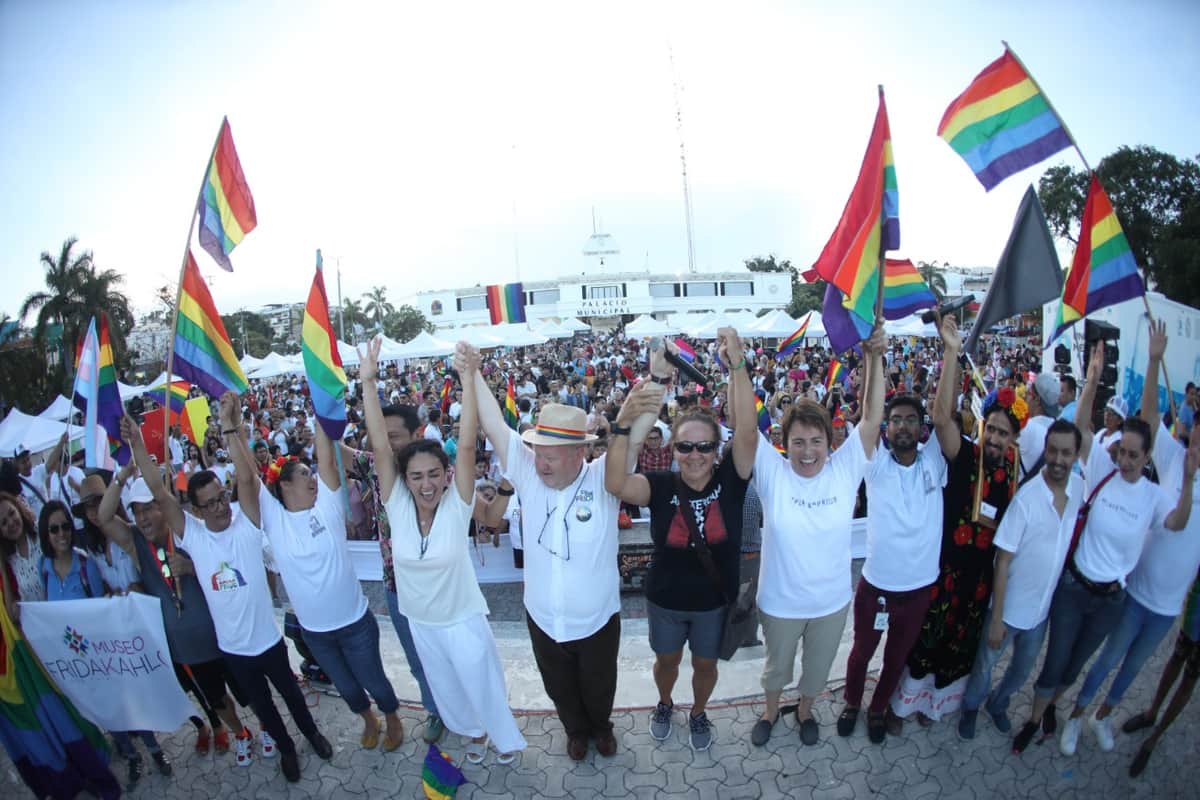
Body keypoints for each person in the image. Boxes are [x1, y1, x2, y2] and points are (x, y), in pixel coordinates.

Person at [118, 410, 331, 783]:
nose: (220, 507)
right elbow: (159, 493)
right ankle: (285, 749)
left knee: (293, 696)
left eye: (221, 498)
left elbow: (246, 478)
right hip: (234, 651)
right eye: (210, 503)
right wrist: (137, 443)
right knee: (264, 707)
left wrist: (231, 426)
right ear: (195, 510)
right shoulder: (193, 535)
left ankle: (312, 734)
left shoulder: (246, 522)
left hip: (268, 642)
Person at [1015, 344, 1197, 756]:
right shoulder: (1102, 469)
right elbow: (1079, 427)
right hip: (1074, 588)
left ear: (1147, 457)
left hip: (1111, 601)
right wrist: (1092, 382)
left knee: (1076, 665)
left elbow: (1177, 523)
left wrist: (1187, 481)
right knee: (1056, 659)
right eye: (1122, 452)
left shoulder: (1154, 496)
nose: (1125, 460)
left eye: (1134, 455)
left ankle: (1056, 711)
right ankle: (1033, 719)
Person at [362, 337, 526, 764]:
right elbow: (380, 445)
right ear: (404, 480)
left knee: (482, 685)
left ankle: (504, 738)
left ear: (446, 474)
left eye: (434, 474)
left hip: (462, 619)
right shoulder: (396, 505)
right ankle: (475, 734)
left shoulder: (457, 504)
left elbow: (467, 444)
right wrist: (368, 383)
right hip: (421, 622)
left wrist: (467, 378)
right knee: (449, 691)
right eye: (417, 476)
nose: (427, 484)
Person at [461, 343, 623, 762]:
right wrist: (473, 373)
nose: (540, 465)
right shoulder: (529, 473)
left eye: (551, 457)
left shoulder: (604, 478)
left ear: (579, 453)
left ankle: (601, 728)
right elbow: (494, 424)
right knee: (558, 686)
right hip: (542, 618)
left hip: (598, 620)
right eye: (538, 455)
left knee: (600, 686)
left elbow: (632, 441)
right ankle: (575, 731)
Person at [605, 328, 755, 751]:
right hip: (666, 601)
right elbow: (615, 482)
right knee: (667, 662)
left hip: (714, 602)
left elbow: (747, 432)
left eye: (704, 447)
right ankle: (665, 702)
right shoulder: (660, 485)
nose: (694, 456)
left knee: (706, 666)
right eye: (685, 447)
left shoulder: (732, 479)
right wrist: (622, 424)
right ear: (672, 449)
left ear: (716, 449)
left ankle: (699, 711)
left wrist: (738, 364)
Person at [738, 323, 885, 747]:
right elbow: (745, 427)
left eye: (816, 441)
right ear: (783, 443)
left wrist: (876, 357)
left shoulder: (844, 469)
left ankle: (804, 711)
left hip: (830, 605)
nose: (807, 452)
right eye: (798, 442)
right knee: (776, 671)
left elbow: (872, 418)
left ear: (830, 441)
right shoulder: (773, 472)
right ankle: (770, 711)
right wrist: (737, 367)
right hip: (779, 604)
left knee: (816, 672)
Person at [1064, 322, 1200, 756]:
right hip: (1134, 591)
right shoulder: (1174, 459)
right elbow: (1149, 421)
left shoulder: (1166, 488)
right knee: (1107, 660)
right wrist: (1155, 360)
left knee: (1132, 669)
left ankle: (1102, 716)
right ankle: (1075, 716)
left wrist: (1190, 482)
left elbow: (1179, 523)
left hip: (1167, 608)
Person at [251, 397, 407, 754]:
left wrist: (321, 401)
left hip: (355, 624)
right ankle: (368, 719)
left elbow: (325, 453)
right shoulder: (274, 519)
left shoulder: (328, 503)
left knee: (374, 681)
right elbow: (247, 474)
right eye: (304, 475)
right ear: (284, 486)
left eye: (312, 473)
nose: (313, 478)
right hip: (315, 633)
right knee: (348, 688)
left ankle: (392, 715)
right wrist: (232, 430)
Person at [893, 316, 1023, 726]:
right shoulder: (966, 454)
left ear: (1013, 439)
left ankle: (935, 705)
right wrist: (951, 351)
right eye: (992, 429)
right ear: (983, 427)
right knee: (924, 639)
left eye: (1004, 434)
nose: (996, 439)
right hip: (944, 569)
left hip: (979, 580)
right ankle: (903, 703)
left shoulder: (1014, 472)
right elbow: (941, 418)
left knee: (957, 645)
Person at [958, 420, 1083, 739]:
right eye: (1052, 451)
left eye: (1066, 453)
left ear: (1076, 455)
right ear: (1045, 451)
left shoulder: (1079, 488)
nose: (1058, 459)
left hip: (1040, 613)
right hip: (1009, 610)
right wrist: (997, 618)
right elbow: (1002, 561)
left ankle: (998, 704)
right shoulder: (1027, 498)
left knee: (1021, 671)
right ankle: (971, 706)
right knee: (985, 665)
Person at [839, 390, 948, 744]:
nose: (903, 426)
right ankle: (852, 703)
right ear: (886, 427)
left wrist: (951, 358)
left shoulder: (934, 460)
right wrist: (873, 361)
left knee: (896, 659)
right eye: (896, 419)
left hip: (918, 591)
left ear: (922, 427)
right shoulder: (876, 465)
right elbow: (869, 415)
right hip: (876, 590)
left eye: (911, 419)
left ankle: (877, 708)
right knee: (861, 653)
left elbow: (944, 410)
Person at [37, 499, 171, 785]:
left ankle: (154, 750)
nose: (61, 534)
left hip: (98, 650)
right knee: (105, 708)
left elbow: (100, 606)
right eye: (54, 529)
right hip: (72, 656)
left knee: (127, 702)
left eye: (65, 527)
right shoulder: (44, 567)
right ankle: (131, 756)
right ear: (45, 534)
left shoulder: (85, 564)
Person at [345, 401, 445, 743]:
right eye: (379, 437)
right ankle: (435, 709)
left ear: (416, 434)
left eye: (393, 437)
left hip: (441, 585)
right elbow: (336, 450)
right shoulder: (375, 466)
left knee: (453, 654)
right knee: (417, 659)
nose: (384, 444)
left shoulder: (437, 471)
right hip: (396, 586)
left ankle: (465, 707)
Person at [0, 490, 45, 610]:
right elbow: (11, 613)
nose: (11, 522)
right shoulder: (10, 559)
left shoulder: (43, 532)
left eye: (12, 513)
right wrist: (2, 568)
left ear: (19, 509)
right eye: (3, 523)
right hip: (38, 620)